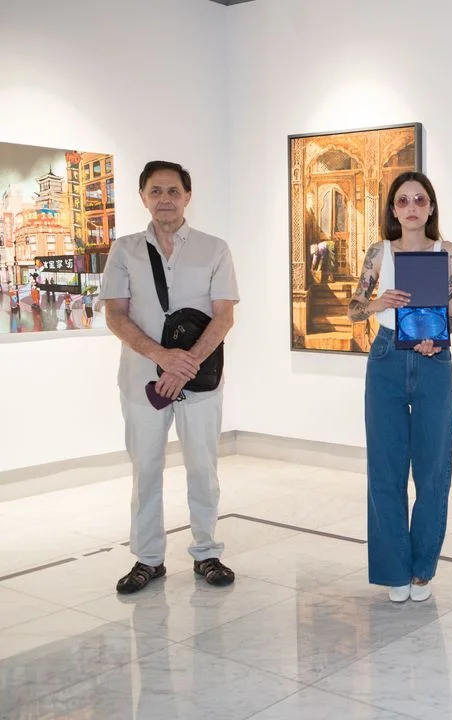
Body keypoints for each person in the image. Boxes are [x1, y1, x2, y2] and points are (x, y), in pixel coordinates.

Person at [101, 160, 240, 594]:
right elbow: (116, 315)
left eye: (174, 191)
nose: (165, 199)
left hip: (199, 381)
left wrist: (187, 364)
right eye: (156, 191)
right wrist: (161, 356)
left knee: (203, 467)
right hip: (142, 379)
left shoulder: (214, 249)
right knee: (145, 469)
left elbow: (224, 316)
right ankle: (148, 558)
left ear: (187, 196)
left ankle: (207, 552)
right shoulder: (124, 250)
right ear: (143, 197)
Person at [347, 171, 452, 603]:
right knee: (386, 468)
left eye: (419, 199)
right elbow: (354, 308)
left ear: (431, 207)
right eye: (402, 201)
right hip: (386, 358)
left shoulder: (448, 253)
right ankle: (394, 569)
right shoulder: (380, 252)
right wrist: (379, 302)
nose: (411, 207)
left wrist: (439, 337)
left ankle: (422, 570)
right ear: (393, 210)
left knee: (433, 469)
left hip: (434, 360)